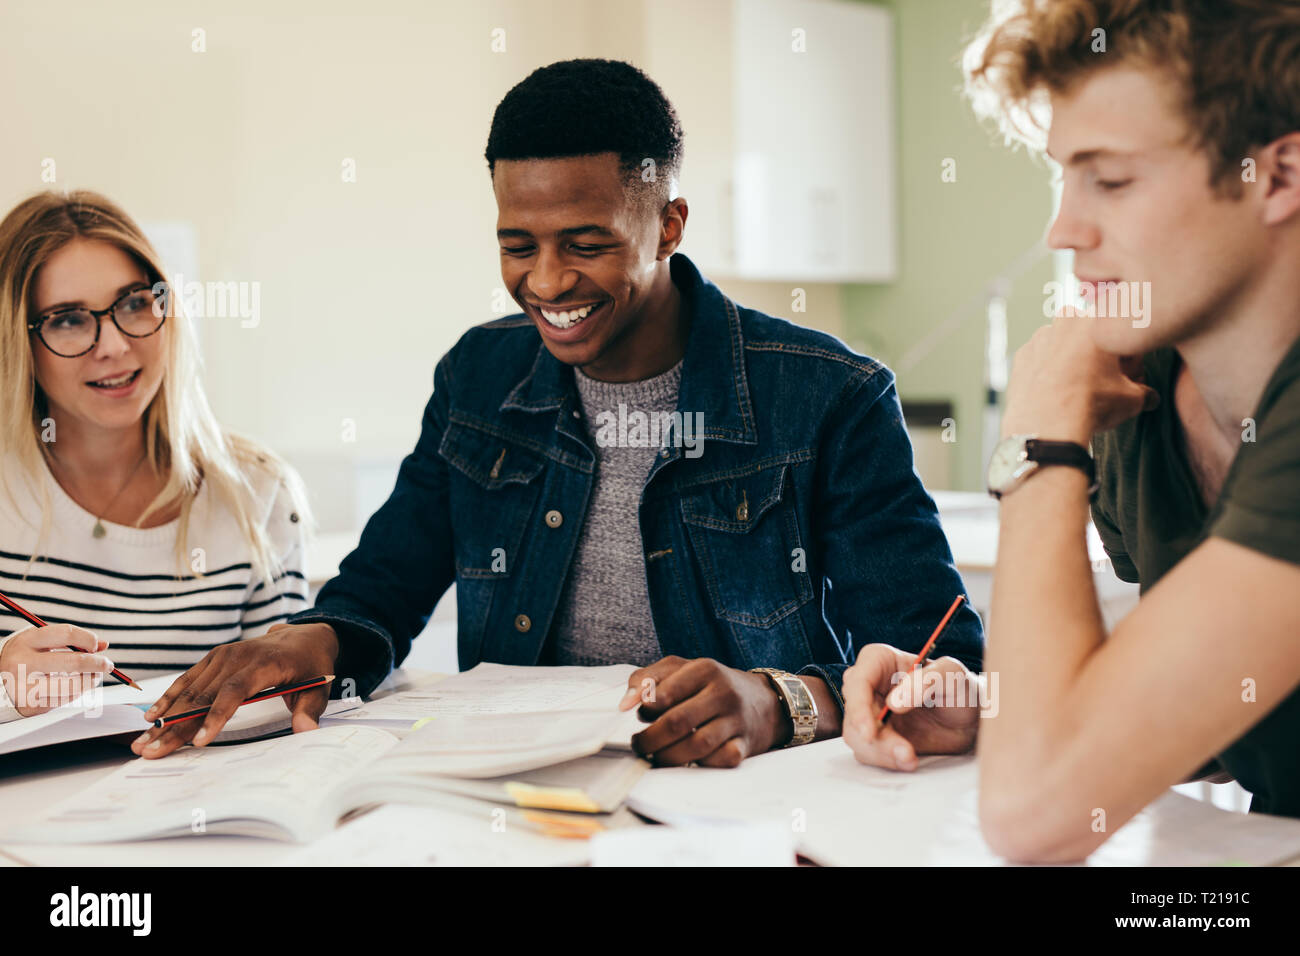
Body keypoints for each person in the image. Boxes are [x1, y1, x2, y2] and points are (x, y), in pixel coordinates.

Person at [135, 58, 983, 765]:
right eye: (517, 245)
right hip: (524, 801)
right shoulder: (477, 376)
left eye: (585, 243)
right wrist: (315, 641)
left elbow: (938, 658)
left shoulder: (828, 394)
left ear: (668, 224)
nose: (546, 282)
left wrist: (778, 703)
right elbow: (384, 588)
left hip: (746, 811)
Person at [841, 0, 1300, 862]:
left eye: (1112, 180)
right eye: (1064, 176)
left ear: (1276, 177)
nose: (1064, 229)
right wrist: (993, 708)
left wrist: (1042, 434)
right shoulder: (1140, 394)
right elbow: (1217, 701)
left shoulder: (1083, 405)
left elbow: (1032, 817)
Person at [0, 190, 310, 724]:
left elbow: (285, 704)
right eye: (69, 319)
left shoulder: (258, 492)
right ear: (16, 341)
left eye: (133, 303)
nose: (115, 345)